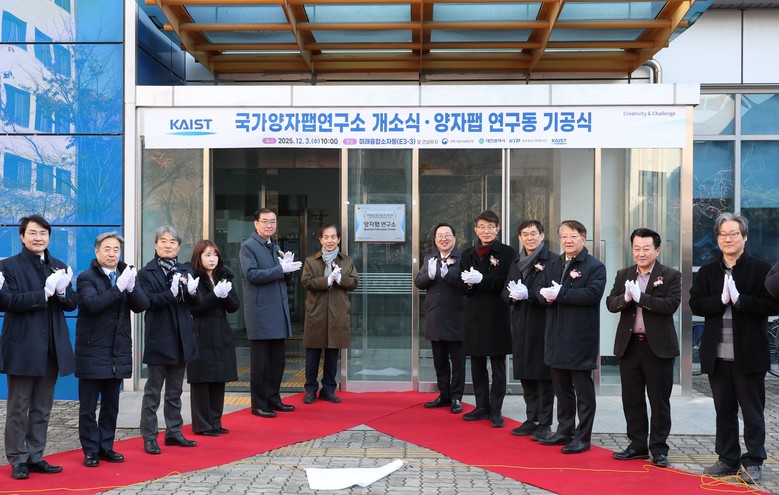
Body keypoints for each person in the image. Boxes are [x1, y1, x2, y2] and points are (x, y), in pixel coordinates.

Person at [690, 212, 777, 484]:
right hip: (717, 356)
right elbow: (695, 303)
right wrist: (720, 300)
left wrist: (740, 301)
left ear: (744, 237)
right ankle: (727, 459)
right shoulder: (708, 271)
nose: (728, 239)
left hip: (749, 355)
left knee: (752, 413)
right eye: (723, 234)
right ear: (717, 239)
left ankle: (754, 461)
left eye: (734, 234)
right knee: (724, 411)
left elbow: (772, 305)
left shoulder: (761, 269)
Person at [0, 214, 77, 480]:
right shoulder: (8, 266)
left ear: (49, 237)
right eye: (32, 233)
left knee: (42, 407)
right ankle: (18, 458)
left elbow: (72, 304)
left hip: (51, 347)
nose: (38, 238)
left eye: (43, 233)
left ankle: (35, 455)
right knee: (18, 406)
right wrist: (43, 294)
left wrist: (63, 292)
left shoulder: (58, 266)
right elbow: (7, 302)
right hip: (23, 346)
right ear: (22, 237)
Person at [605, 228, 681, 468]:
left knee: (659, 401)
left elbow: (671, 305)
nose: (641, 253)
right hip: (629, 346)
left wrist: (641, 298)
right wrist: (626, 299)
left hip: (657, 348)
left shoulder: (670, 275)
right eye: (636, 248)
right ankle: (637, 445)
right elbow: (610, 303)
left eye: (646, 248)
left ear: (657, 250)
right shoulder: (624, 274)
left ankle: (658, 448)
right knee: (632, 399)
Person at [76, 232, 149, 467]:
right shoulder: (86, 278)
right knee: (88, 408)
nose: (112, 254)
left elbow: (142, 305)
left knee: (111, 405)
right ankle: (90, 450)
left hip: (117, 352)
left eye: (116, 249)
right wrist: (118, 288)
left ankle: (106, 446)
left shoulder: (125, 275)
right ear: (97, 251)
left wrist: (131, 287)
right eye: (107, 249)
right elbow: (92, 304)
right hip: (92, 352)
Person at [535, 220, 605, 454]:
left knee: (583, 392)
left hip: (579, 337)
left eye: (573, 236)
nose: (568, 240)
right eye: (564, 236)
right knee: (561, 388)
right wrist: (544, 295)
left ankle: (583, 437)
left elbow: (593, 294)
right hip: (555, 336)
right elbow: (539, 288)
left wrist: (562, 293)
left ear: (583, 238)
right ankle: (564, 430)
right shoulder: (555, 263)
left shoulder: (594, 266)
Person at [137, 225, 201, 455]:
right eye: (163, 241)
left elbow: (196, 303)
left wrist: (192, 293)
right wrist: (171, 294)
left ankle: (174, 432)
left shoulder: (185, 269)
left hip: (181, 338)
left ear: (178, 247)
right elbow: (148, 302)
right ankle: (149, 436)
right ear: (155, 245)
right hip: (159, 338)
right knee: (153, 392)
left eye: (172, 242)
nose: (168, 245)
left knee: (175, 391)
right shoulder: (146, 273)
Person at [239, 208, 302, 418]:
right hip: (260, 312)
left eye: (273, 221)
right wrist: (280, 270)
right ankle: (258, 403)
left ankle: (273, 398)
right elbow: (251, 275)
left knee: (277, 361)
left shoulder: (274, 246)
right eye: (265, 221)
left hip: (277, 310)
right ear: (255, 223)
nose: (269, 225)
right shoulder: (248, 247)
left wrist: (288, 271)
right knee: (260, 363)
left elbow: (278, 277)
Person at [459, 210, 515, 428]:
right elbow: (461, 285)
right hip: (474, 314)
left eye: (491, 227)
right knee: (477, 364)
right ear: (475, 229)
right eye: (482, 227)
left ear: (497, 229)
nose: (486, 231)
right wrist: (468, 284)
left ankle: (496, 409)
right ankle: (481, 406)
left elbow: (505, 281)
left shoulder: (507, 252)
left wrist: (482, 279)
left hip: (496, 313)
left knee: (498, 365)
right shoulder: (467, 254)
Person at [501, 220, 556, 440]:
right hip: (521, 324)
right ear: (519, 238)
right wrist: (512, 296)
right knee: (525, 374)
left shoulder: (552, 261)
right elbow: (505, 291)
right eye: (525, 234)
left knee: (543, 377)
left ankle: (545, 423)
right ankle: (531, 418)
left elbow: (553, 291)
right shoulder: (516, 262)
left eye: (533, 233)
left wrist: (530, 294)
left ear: (542, 235)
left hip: (542, 324)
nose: (529, 238)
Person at [300, 224, 359, 405]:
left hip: (338, 313)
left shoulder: (347, 261)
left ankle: (328, 389)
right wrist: (327, 280)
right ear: (320, 239)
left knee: (333, 354)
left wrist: (340, 279)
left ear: (338, 239)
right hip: (316, 312)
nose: (330, 240)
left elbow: (354, 282)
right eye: (326, 237)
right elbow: (306, 282)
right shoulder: (311, 261)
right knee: (313, 354)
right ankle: (310, 389)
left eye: (333, 237)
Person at [187, 240, 239, 435]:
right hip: (200, 332)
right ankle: (202, 425)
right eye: (207, 255)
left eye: (215, 254)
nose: (212, 259)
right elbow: (195, 308)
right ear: (199, 257)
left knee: (219, 377)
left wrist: (224, 296)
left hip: (221, 331)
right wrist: (214, 295)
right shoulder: (193, 278)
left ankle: (216, 421)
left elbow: (234, 306)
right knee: (202, 379)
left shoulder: (223, 276)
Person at [415, 223, 466, 414]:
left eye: (447, 235)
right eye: (439, 236)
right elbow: (419, 282)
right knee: (440, 361)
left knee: (458, 362)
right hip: (435, 317)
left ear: (454, 237)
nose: (443, 239)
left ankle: (456, 397)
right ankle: (444, 395)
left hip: (456, 317)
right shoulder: (430, 258)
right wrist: (429, 275)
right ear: (435, 240)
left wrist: (447, 275)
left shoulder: (463, 258)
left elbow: (466, 285)